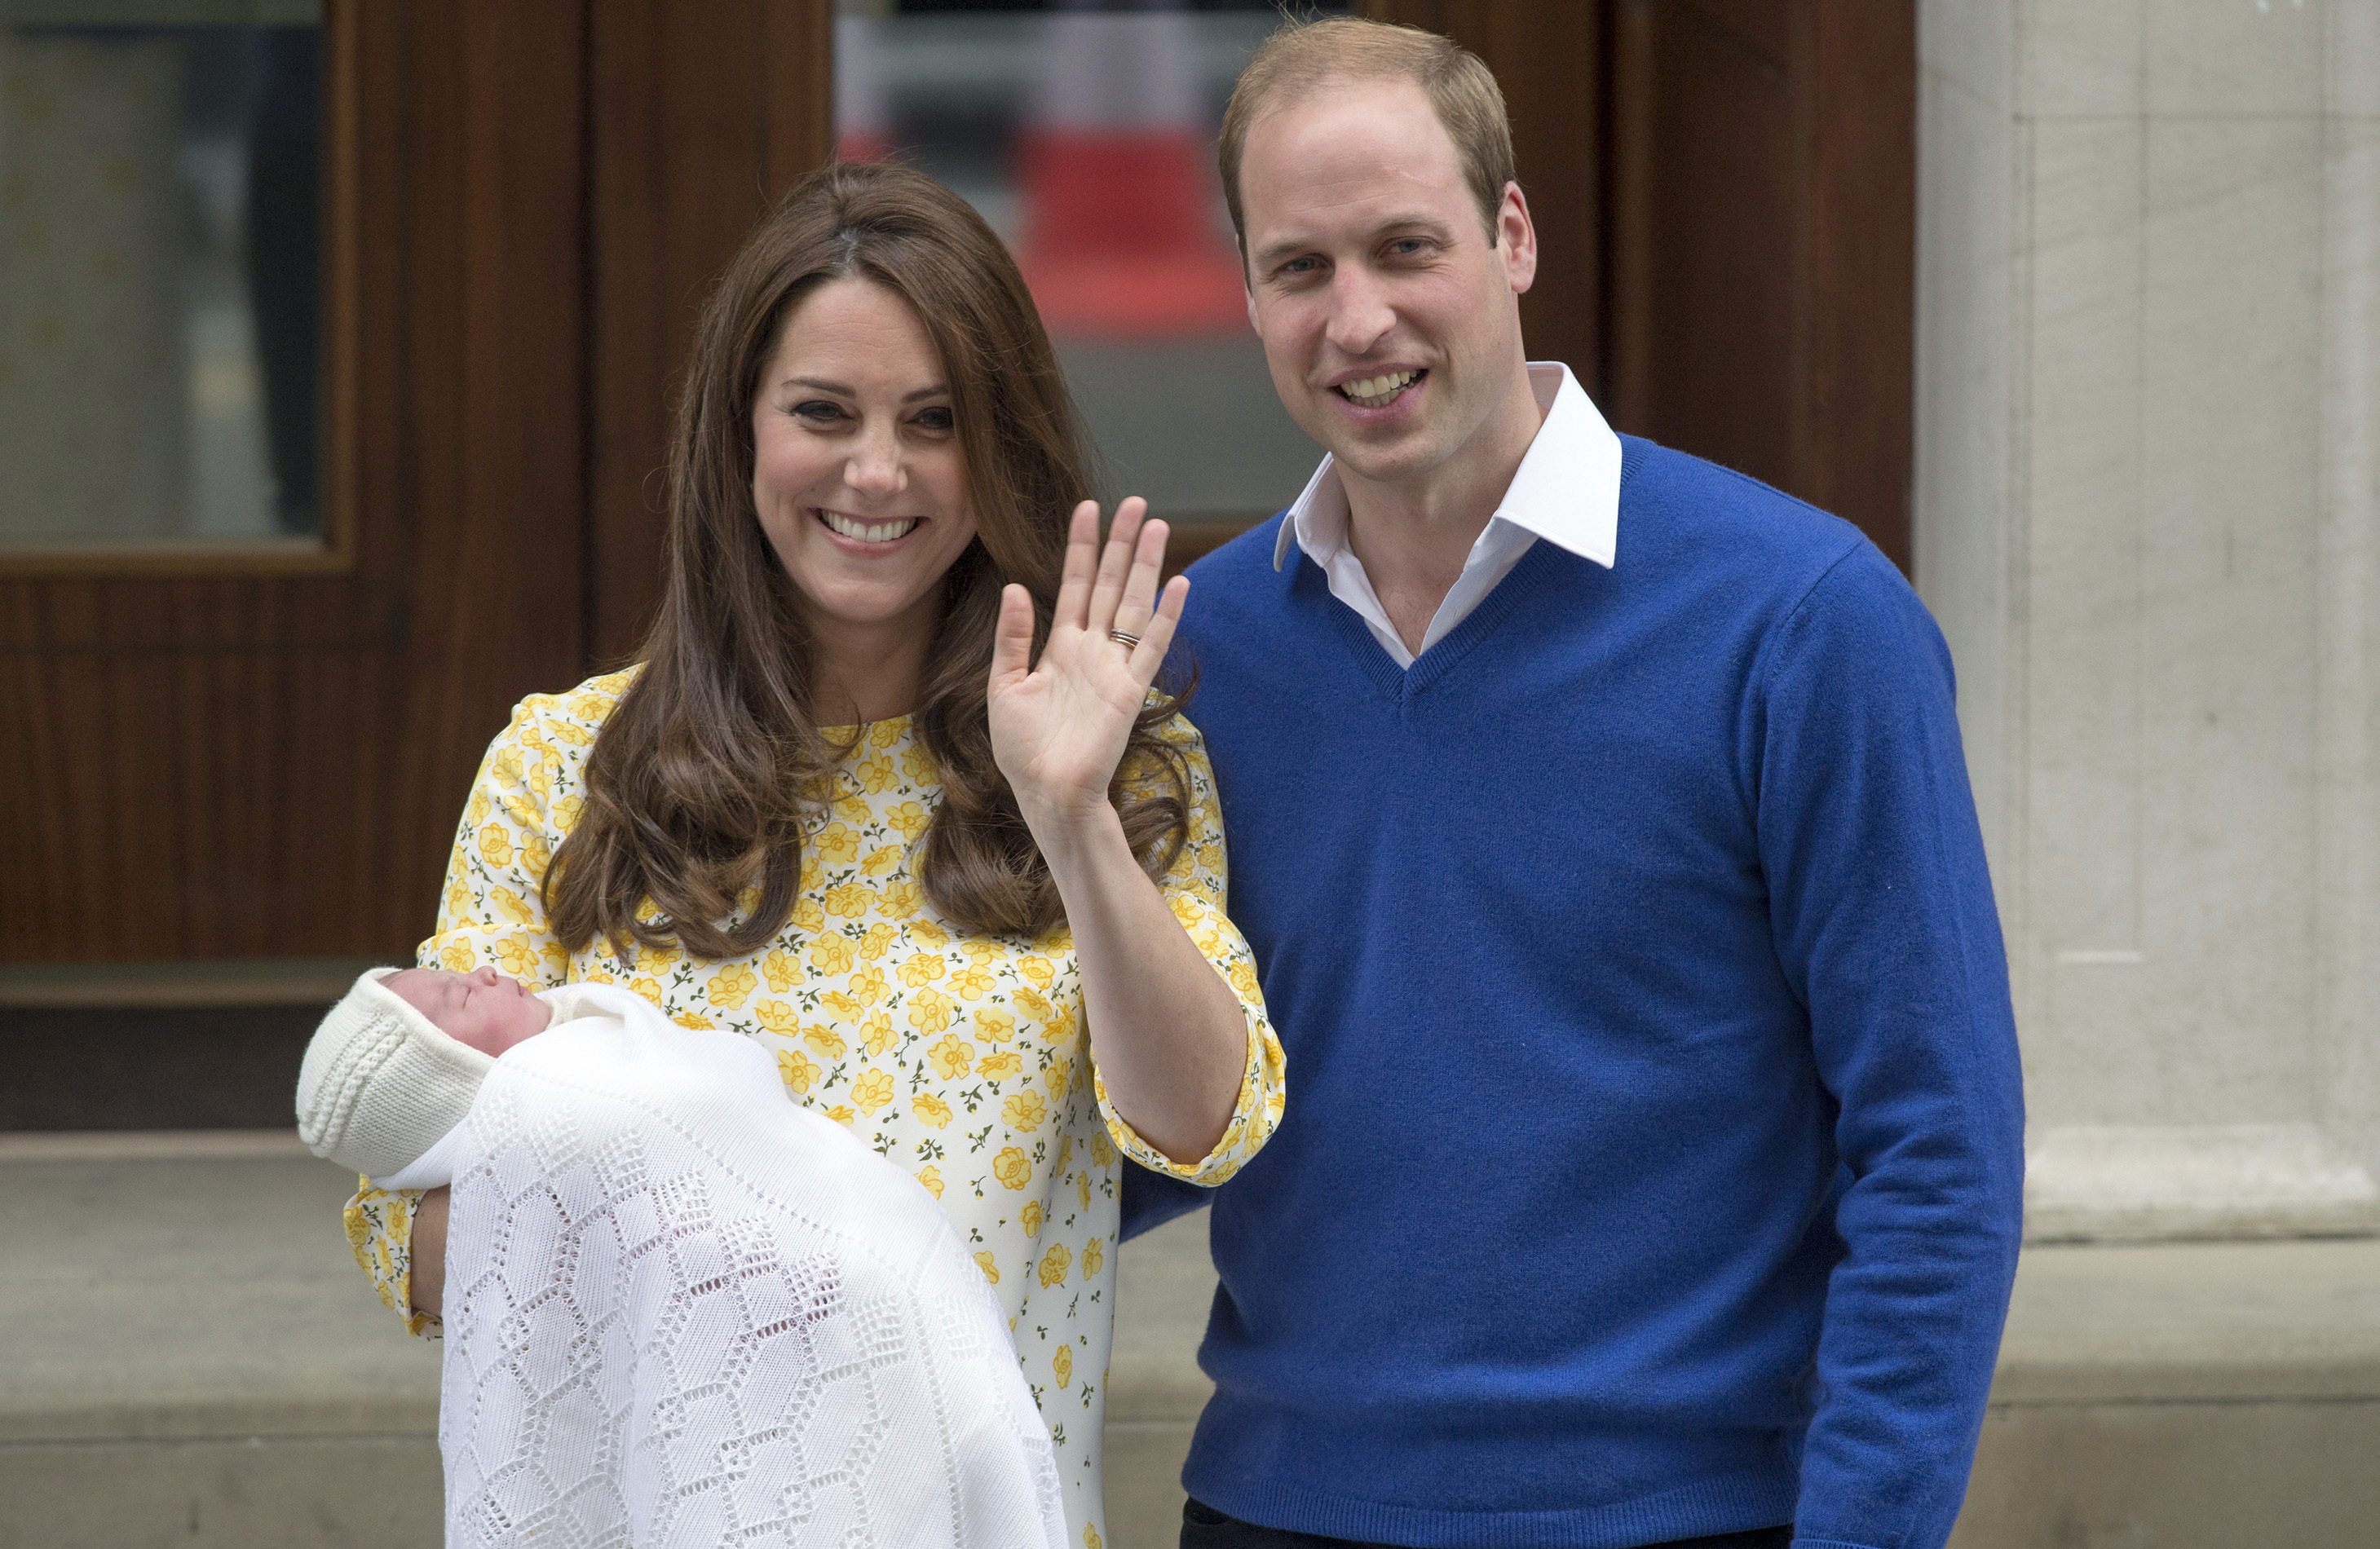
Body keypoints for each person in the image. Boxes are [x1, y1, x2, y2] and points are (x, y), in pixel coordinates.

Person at [1128, 18, 2025, 1549]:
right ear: (1249, 290)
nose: (1356, 319)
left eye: (1405, 247)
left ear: (1511, 233)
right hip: (1275, 1506)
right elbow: (1149, 1147)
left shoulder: (1799, 621)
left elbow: (1935, 1143)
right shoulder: (1192, 659)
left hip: (1685, 1515)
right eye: (1298, 267)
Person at [338, 158, 1287, 1549]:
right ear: (738, 435)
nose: (875, 472)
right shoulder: (561, 769)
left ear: (998, 445)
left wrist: (1071, 818)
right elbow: (413, 1248)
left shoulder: (1116, 759)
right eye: (821, 413)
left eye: (933, 421)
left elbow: (1206, 1126)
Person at [302, 963, 1075, 1547]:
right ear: (449, 1078)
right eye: (451, 1002)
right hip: (818, 1320)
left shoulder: (602, 1066)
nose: (475, 972)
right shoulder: (565, 1107)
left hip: (879, 1286)